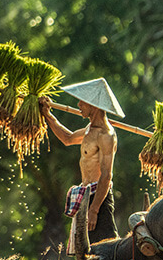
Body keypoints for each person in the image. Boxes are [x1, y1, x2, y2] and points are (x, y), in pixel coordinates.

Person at [39, 78, 125, 246]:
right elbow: (68, 138)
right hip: (85, 196)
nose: (78, 105)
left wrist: (94, 209)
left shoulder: (106, 135)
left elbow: (107, 176)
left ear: (93, 105)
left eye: (82, 102)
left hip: (98, 199)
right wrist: (48, 115)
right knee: (85, 251)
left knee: (104, 248)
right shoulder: (89, 130)